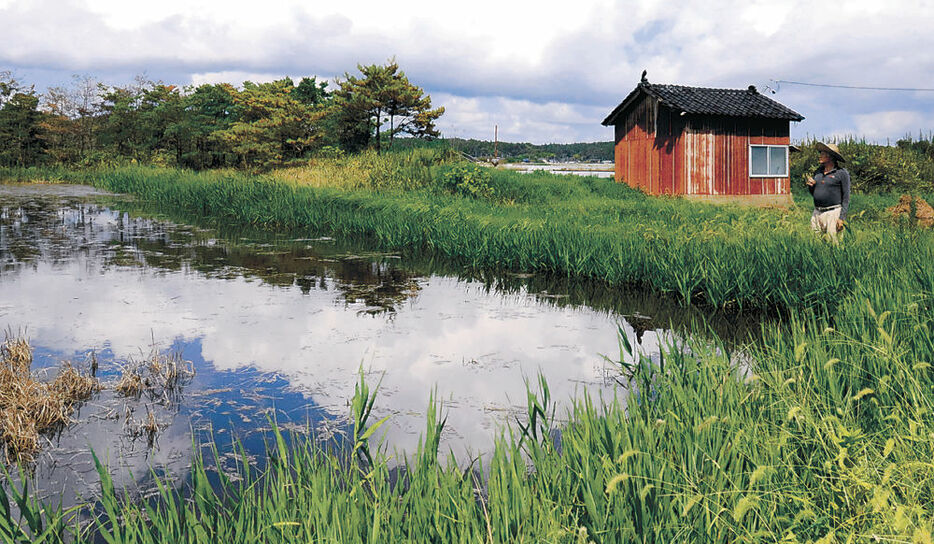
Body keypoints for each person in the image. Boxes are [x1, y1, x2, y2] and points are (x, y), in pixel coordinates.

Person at [805, 142, 851, 242]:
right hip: (817, 213)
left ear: (830, 157)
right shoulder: (818, 172)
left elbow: (846, 197)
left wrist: (841, 218)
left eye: (822, 154)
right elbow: (814, 193)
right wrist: (811, 186)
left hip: (833, 213)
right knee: (815, 243)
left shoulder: (842, 173)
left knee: (834, 243)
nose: (819, 156)